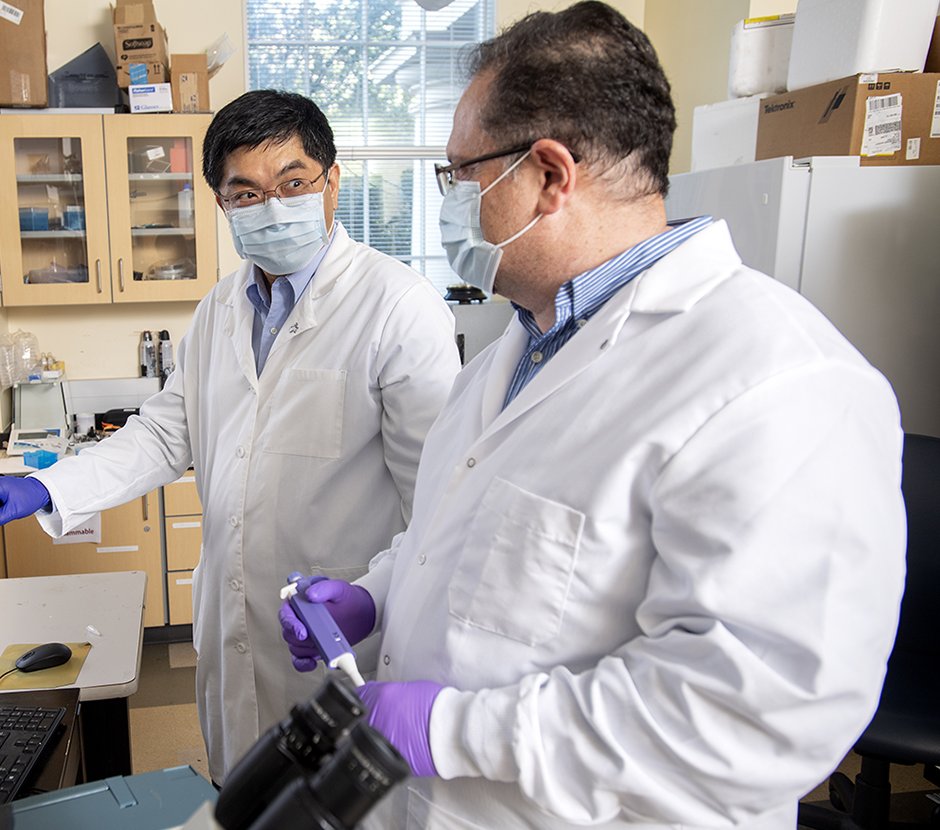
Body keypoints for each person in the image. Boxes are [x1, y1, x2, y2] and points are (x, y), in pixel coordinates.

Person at [279, 4, 907, 830]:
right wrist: (375, 596)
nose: (451, 203)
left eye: (457, 176)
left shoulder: (779, 381)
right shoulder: (514, 352)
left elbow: (752, 718)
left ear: (547, 174)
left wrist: (454, 731)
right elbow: (473, 552)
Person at [0, 90, 461, 782]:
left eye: (293, 183)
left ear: (330, 180)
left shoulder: (397, 307)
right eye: (244, 192)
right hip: (235, 633)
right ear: (219, 201)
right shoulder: (221, 307)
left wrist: (371, 594)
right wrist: (47, 485)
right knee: (241, 793)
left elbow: (438, 505)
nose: (272, 206)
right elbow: (164, 435)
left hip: (341, 640)